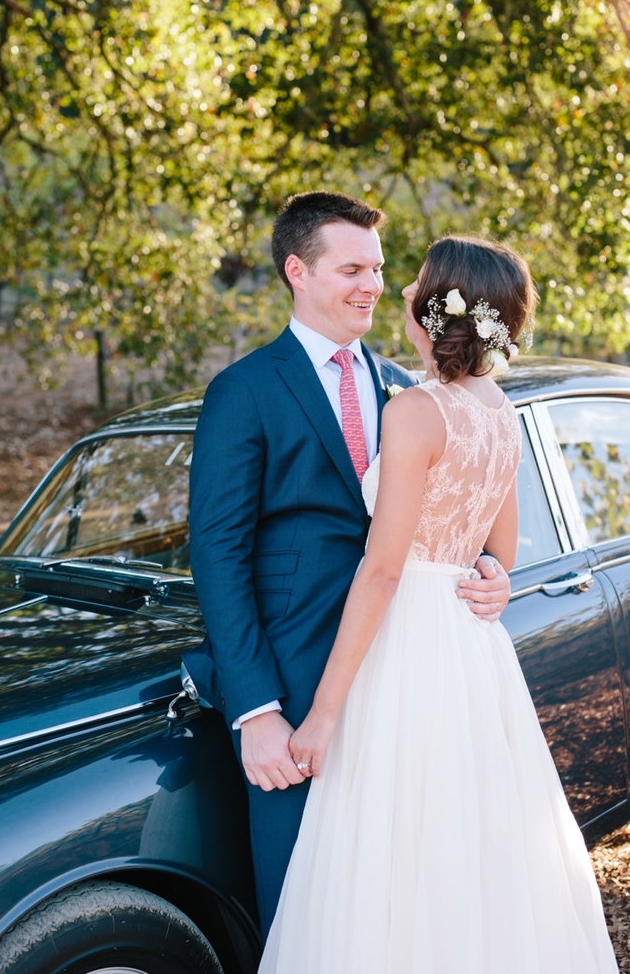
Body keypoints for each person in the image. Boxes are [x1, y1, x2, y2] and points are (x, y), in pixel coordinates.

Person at [259, 234, 619, 974]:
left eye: (412, 283)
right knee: (467, 835)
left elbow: (383, 569)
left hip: (408, 639)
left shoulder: (416, 411)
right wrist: (489, 574)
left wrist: (323, 712)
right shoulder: (498, 409)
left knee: (392, 836)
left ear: (435, 308)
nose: (397, 293)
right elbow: (504, 551)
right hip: (466, 640)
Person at [187, 194, 513, 939]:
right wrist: (256, 710)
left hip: (408, 678)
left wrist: (491, 568)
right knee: (310, 907)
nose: (371, 284)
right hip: (299, 685)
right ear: (297, 270)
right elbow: (219, 552)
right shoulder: (243, 389)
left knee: (404, 891)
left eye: (377, 267)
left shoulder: (409, 385)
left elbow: (454, 520)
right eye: (350, 268)